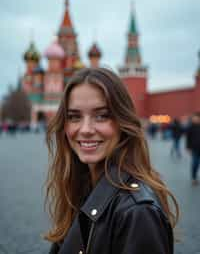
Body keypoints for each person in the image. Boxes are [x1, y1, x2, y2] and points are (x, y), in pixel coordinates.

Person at [44, 68, 179, 254]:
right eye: (74, 117)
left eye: (102, 115)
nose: (85, 129)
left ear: (123, 121)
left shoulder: (138, 213)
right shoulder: (81, 188)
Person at [186, 112, 200, 186]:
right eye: (194, 118)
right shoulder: (190, 127)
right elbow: (188, 138)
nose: (195, 119)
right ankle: (194, 178)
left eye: (196, 118)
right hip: (194, 148)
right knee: (195, 163)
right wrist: (188, 147)